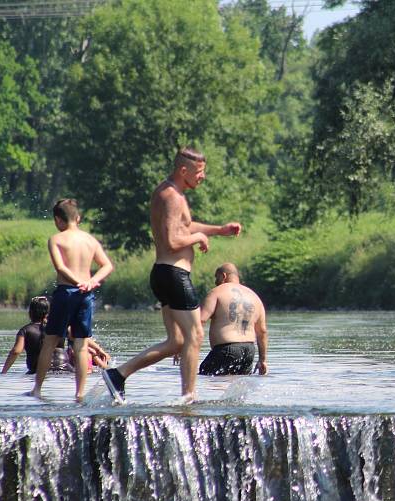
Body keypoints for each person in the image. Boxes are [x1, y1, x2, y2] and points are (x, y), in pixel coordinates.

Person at [101, 147, 241, 403]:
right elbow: (172, 240)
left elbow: (185, 226)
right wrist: (199, 237)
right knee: (195, 335)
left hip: (166, 274)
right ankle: (189, 396)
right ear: (183, 170)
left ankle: (118, 375)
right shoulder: (171, 196)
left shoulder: (172, 193)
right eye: (199, 172)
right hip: (173, 274)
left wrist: (219, 230)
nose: (203, 177)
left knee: (177, 341)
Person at [29, 199, 114, 401]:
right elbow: (107, 266)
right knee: (82, 345)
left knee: (50, 342)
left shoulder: (57, 239)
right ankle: (80, 393)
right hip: (86, 295)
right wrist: (90, 282)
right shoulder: (90, 240)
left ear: (58, 220)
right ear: (78, 218)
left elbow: (61, 268)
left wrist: (79, 283)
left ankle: (37, 389)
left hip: (66, 292)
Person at [194, 263, 268, 376]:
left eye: (216, 277)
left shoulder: (217, 292)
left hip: (226, 349)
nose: (215, 281)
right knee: (237, 387)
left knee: (206, 379)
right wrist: (262, 360)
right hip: (249, 351)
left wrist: (186, 346)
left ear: (223, 276)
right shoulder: (254, 296)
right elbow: (262, 331)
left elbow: (201, 320)